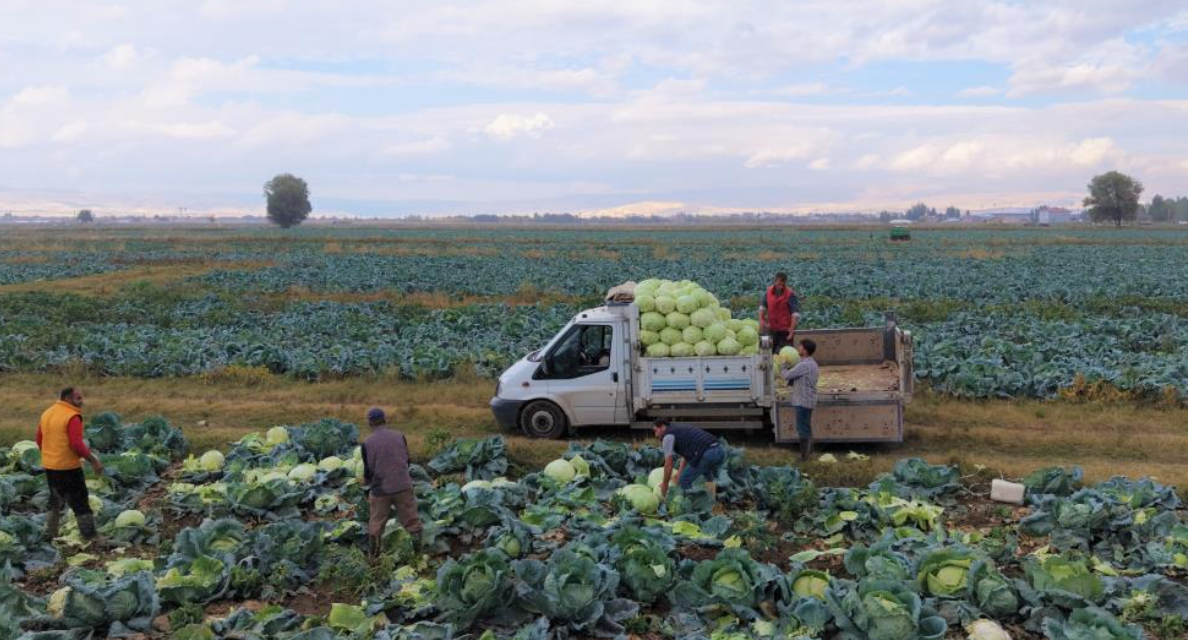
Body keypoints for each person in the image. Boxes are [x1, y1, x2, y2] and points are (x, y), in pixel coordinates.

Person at [37, 387, 104, 542]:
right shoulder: (72, 416)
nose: (82, 402)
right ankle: (90, 536)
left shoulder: (47, 413)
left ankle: (50, 534)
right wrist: (94, 461)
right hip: (68, 467)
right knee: (80, 501)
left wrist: (50, 456)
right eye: (78, 398)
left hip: (51, 466)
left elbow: (39, 439)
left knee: (56, 500)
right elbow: (76, 444)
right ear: (67, 398)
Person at [360, 407, 422, 557]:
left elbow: (368, 471)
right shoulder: (399, 436)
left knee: (376, 523)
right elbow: (407, 461)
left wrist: (368, 486)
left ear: (370, 423)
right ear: (384, 420)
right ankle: (418, 555)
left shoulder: (367, 443)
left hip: (381, 489)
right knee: (412, 520)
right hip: (403, 486)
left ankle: (373, 559)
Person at [653, 418, 726, 500]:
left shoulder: (668, 436)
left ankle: (691, 507)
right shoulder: (678, 429)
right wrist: (679, 473)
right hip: (719, 450)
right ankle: (712, 501)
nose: (655, 435)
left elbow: (668, 465)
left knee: (684, 480)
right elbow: (686, 456)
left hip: (708, 453)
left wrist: (665, 484)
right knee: (707, 474)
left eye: (656, 431)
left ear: (662, 427)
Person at [780, 340, 819, 461]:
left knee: (802, 428)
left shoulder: (805, 365)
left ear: (805, 351)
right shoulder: (810, 363)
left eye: (800, 347)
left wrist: (783, 365)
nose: (798, 349)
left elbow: (786, 375)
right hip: (807, 399)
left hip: (803, 400)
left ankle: (804, 457)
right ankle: (809, 452)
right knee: (806, 426)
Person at [759, 272, 801, 352]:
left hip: (785, 330)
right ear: (775, 281)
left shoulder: (790, 294)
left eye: (783, 285)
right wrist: (761, 320)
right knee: (768, 352)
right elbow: (762, 307)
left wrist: (791, 330)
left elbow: (795, 314)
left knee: (785, 353)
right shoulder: (768, 292)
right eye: (779, 284)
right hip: (772, 328)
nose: (781, 287)